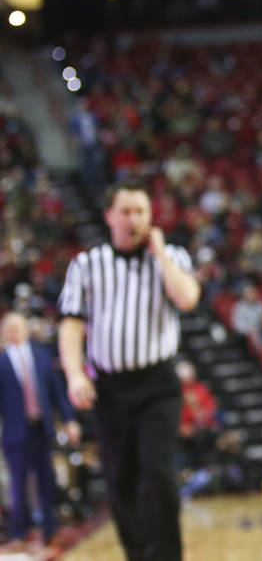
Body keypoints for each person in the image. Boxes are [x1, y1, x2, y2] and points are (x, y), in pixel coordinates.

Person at [57, 179, 201, 561]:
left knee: (159, 474)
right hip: (110, 386)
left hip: (158, 384)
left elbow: (187, 298)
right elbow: (71, 325)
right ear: (109, 216)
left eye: (140, 211)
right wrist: (75, 374)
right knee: (120, 480)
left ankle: (169, 556)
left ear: (151, 217)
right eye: (125, 211)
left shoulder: (173, 256)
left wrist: (161, 256)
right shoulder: (87, 265)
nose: (133, 218)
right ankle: (138, 555)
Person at [0, 311, 80, 554]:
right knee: (18, 484)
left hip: (41, 428)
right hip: (14, 432)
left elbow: (56, 391)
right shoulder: (1, 361)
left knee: (47, 480)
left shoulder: (41, 355)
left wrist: (69, 420)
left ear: (26, 329)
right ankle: (19, 532)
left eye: (18, 327)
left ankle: (50, 530)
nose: (14, 332)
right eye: (9, 328)